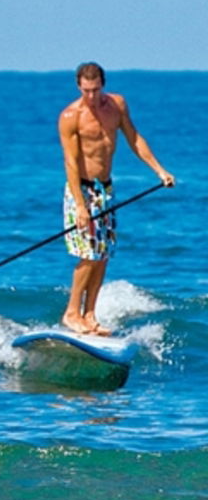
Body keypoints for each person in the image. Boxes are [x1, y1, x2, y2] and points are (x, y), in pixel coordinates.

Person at [57, 62, 175, 336]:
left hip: (105, 190)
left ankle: (89, 315)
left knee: (103, 255)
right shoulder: (70, 116)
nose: (91, 96)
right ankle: (72, 312)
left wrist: (159, 170)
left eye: (96, 90)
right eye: (86, 90)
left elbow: (134, 138)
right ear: (78, 86)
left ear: (103, 85)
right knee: (88, 254)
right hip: (81, 191)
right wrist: (81, 206)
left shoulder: (117, 106)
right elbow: (71, 163)